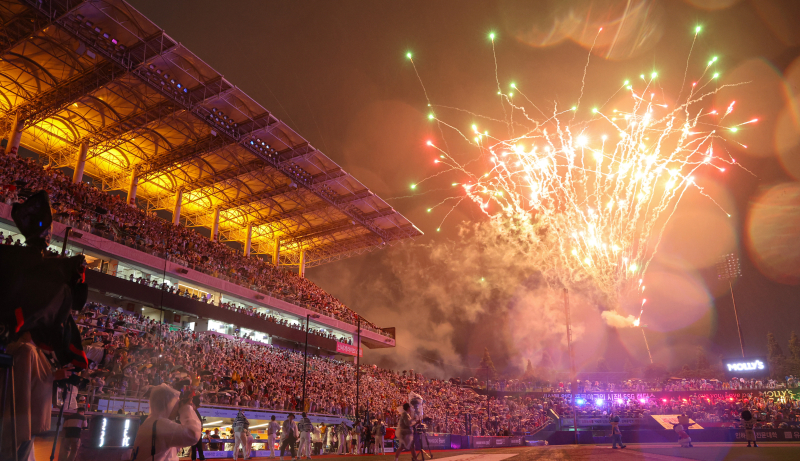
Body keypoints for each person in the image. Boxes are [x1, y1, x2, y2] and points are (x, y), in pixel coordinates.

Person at [129, 384, 201, 461]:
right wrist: (186, 408)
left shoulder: (151, 421)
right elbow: (193, 435)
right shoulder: (160, 424)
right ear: (168, 404)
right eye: (176, 402)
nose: (178, 406)